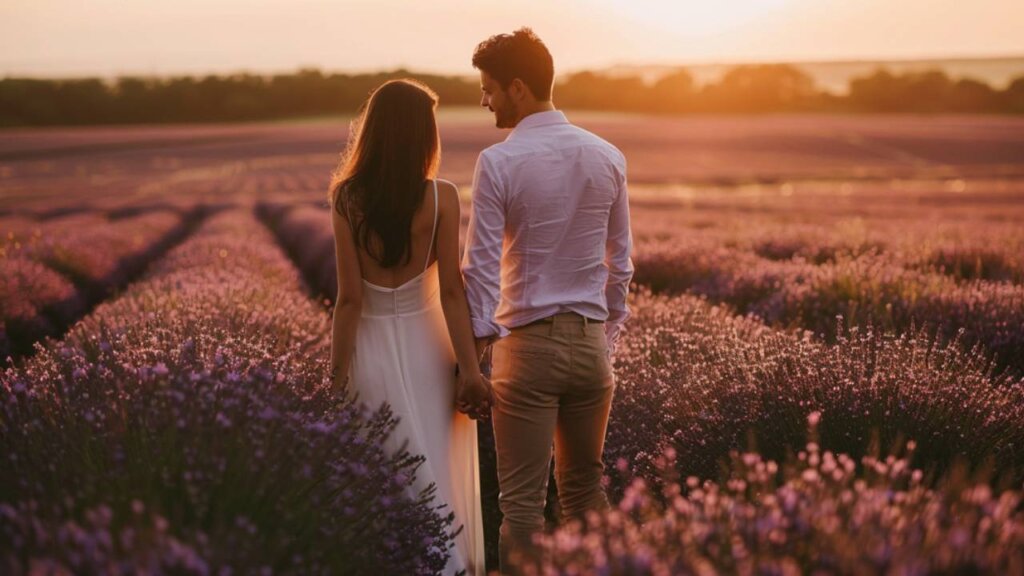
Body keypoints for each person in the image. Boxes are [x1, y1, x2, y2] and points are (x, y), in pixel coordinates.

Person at [462, 27, 635, 574]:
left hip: (527, 348)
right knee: (586, 493)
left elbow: (482, 269)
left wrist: (477, 355)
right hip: (590, 348)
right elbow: (622, 263)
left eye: (488, 88)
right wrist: (601, 338)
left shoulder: (499, 162)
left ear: (517, 88)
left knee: (522, 506)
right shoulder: (608, 155)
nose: (484, 101)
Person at [328, 78, 490, 575]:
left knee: (385, 467)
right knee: (435, 468)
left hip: (371, 348)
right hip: (429, 346)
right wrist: (470, 369)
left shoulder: (346, 199)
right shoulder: (441, 197)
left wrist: (335, 378)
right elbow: (450, 293)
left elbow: (350, 300)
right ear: (423, 134)